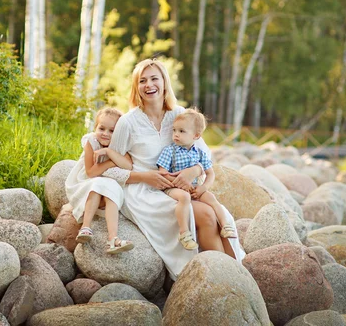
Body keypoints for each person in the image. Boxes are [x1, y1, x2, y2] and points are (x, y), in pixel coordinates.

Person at [104, 58, 245, 278]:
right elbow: (109, 169)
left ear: (164, 82)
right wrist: (144, 177)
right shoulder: (128, 122)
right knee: (207, 216)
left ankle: (236, 275)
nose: (149, 85)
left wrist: (194, 171)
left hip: (182, 185)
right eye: (142, 80)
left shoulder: (178, 114)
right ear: (136, 86)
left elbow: (205, 154)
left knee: (218, 217)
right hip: (146, 191)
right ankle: (221, 277)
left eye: (154, 78)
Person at [156, 108, 238, 251]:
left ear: (196, 135)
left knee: (211, 198)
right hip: (173, 188)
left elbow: (210, 173)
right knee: (184, 197)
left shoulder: (199, 153)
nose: (176, 134)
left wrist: (203, 188)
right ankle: (184, 233)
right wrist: (181, 184)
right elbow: (163, 173)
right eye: (174, 130)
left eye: (182, 131)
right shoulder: (170, 151)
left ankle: (226, 225)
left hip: (194, 188)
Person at [65, 107, 135, 254]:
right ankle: (86, 227)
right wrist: (111, 162)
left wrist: (109, 152)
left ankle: (113, 239)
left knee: (112, 188)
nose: (105, 134)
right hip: (85, 182)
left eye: (111, 131)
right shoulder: (91, 141)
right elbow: (91, 172)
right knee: (99, 184)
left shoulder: (119, 146)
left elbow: (128, 165)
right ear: (95, 127)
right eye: (101, 128)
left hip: (105, 185)